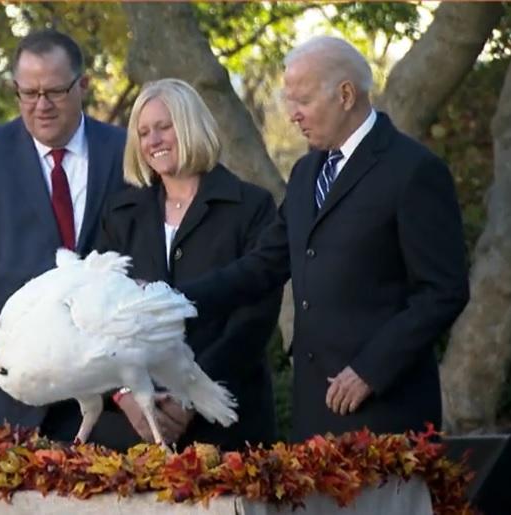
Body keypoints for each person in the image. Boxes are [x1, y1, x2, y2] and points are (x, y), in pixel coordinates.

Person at [178, 36, 470, 442]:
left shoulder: (414, 171)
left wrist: (370, 370)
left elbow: (443, 291)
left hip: (386, 411)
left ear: (346, 94)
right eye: (288, 101)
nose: (292, 115)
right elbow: (264, 265)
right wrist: (172, 300)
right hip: (314, 409)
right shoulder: (304, 174)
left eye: (302, 101)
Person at [0, 29, 130, 446]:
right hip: (1, 397)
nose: (42, 105)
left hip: (106, 398)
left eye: (55, 91)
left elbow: (143, 254)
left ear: (84, 85)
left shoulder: (125, 152)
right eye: (29, 93)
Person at [95, 78, 282, 450]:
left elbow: (254, 320)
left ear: (191, 125)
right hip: (135, 430)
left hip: (227, 426)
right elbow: (96, 318)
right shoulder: (120, 214)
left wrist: (192, 396)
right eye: (144, 132)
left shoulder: (251, 207)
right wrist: (126, 396)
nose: (154, 140)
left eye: (165, 127)